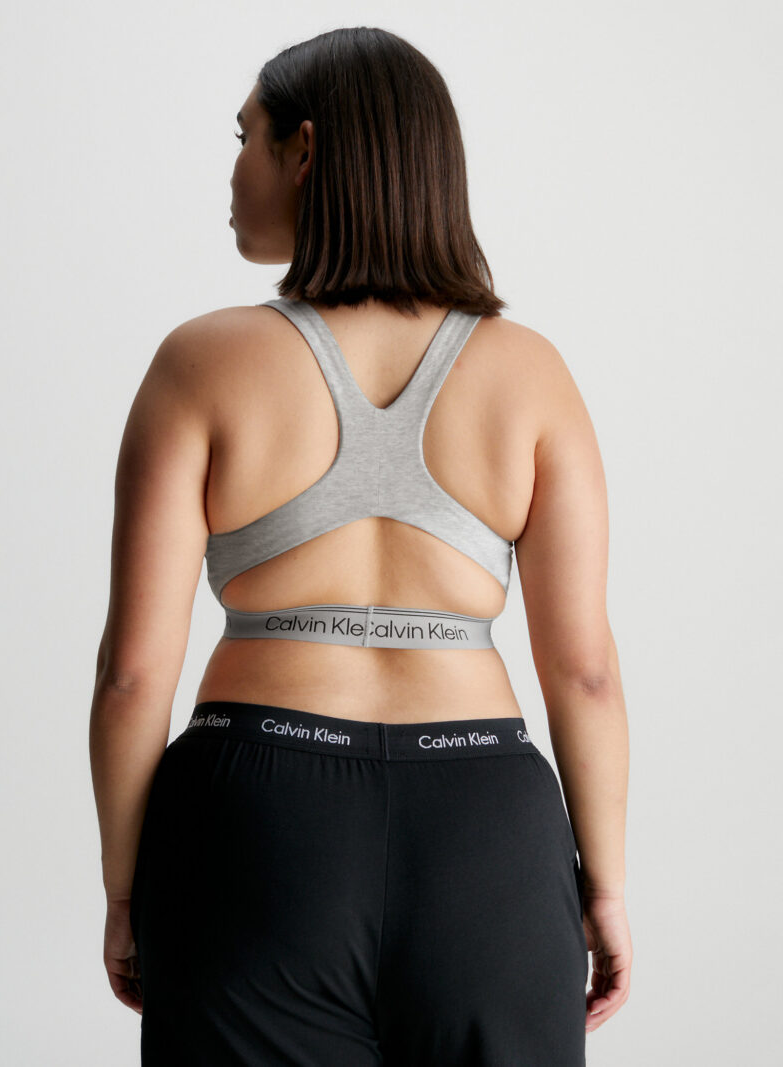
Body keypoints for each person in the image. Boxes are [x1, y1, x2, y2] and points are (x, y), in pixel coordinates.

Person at [89, 25, 632, 1067]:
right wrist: (601, 885)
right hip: (485, 827)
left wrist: (124, 888)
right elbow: (586, 672)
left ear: (302, 150)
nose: (232, 171)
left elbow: (131, 674)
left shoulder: (201, 362)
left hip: (256, 820)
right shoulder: (530, 373)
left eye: (242, 138)